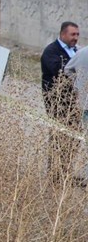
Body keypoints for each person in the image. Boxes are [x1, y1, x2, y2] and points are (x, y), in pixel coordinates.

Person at [41, 22, 81, 181]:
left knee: (74, 137)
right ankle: (54, 174)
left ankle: (66, 172)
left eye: (77, 34)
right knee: (59, 137)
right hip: (58, 102)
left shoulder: (76, 51)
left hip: (75, 102)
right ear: (63, 34)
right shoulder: (51, 52)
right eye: (73, 34)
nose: (76, 38)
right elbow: (60, 72)